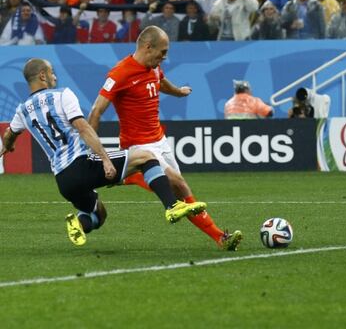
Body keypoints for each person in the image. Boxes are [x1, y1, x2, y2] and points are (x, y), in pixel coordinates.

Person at [0, 58, 208, 246]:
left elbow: (10, 134)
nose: (55, 76)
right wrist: (105, 159)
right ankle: (172, 206)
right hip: (81, 165)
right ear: (42, 75)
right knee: (146, 156)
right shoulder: (62, 95)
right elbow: (84, 128)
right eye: (52, 71)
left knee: (99, 213)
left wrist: (7, 147)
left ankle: (80, 223)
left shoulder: (22, 110)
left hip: (63, 181)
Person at [87, 26, 243, 251]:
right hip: (139, 146)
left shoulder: (154, 67)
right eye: (162, 52)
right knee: (179, 184)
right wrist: (94, 152)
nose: (165, 57)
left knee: (180, 192)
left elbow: (160, 81)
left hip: (160, 141)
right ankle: (220, 237)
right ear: (147, 47)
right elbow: (96, 111)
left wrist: (178, 92)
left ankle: (130, 176)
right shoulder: (120, 73)